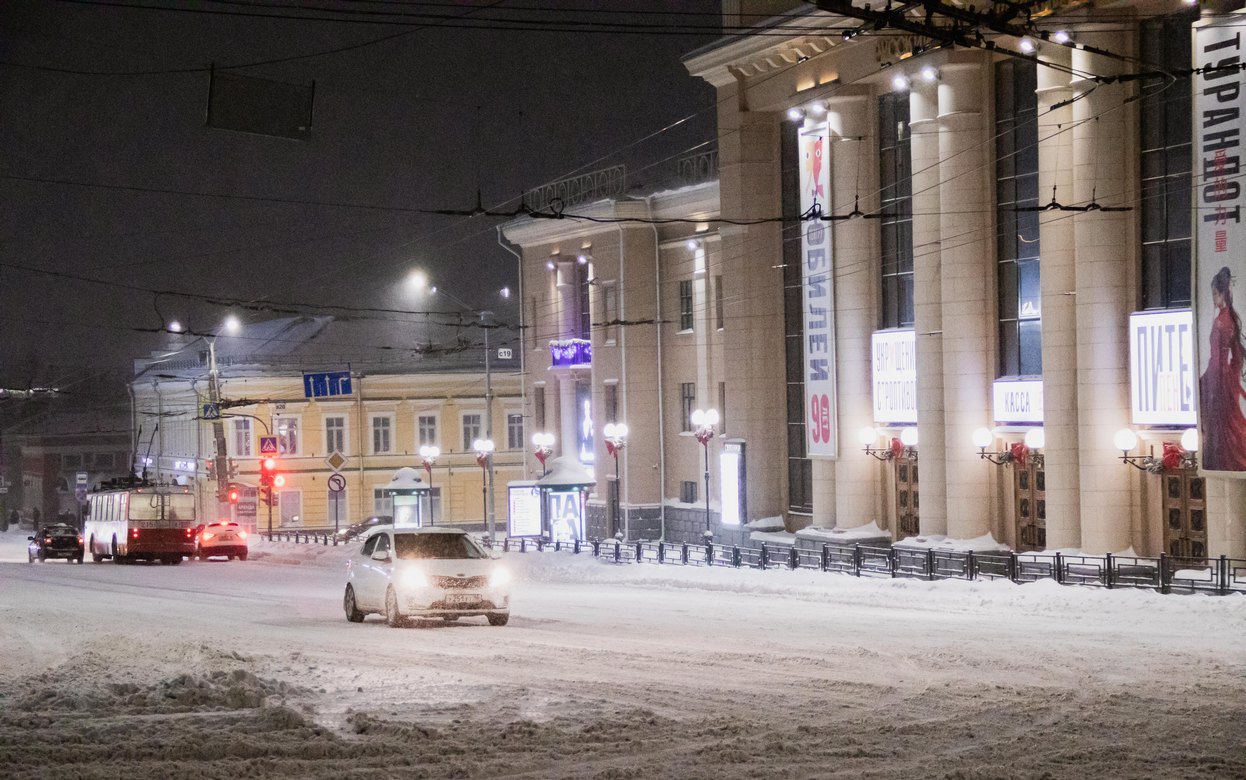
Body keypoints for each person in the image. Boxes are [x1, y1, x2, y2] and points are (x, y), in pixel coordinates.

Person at [1200, 266, 1246, 471]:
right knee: (1229, 424)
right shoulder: (1231, 319)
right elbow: (1236, 356)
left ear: (1222, 294)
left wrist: (1209, 382)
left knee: (1221, 425)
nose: (1213, 299)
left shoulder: (1220, 321)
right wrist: (1232, 379)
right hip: (1224, 376)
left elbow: (1217, 358)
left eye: (1214, 294)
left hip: (1218, 378)